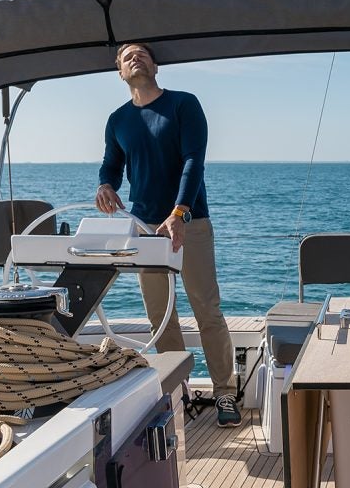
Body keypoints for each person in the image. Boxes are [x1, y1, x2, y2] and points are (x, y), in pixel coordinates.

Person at [96, 42, 241, 428]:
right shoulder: (117, 120)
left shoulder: (183, 105)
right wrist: (105, 186)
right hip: (145, 229)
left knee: (206, 310)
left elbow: (195, 160)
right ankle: (178, 392)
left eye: (143, 53)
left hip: (189, 223)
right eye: (127, 56)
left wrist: (180, 211)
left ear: (156, 66)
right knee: (161, 317)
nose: (135, 57)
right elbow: (111, 164)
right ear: (120, 72)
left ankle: (225, 392)